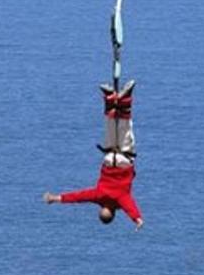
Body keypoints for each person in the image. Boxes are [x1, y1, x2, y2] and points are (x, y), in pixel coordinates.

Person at [43, 80, 143, 230]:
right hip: (109, 158)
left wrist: (137, 219)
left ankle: (125, 99)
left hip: (124, 160)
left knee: (124, 129)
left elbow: (131, 208)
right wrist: (55, 198)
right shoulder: (97, 196)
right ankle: (110, 98)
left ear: (115, 214)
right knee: (110, 127)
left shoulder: (121, 200)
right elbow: (78, 197)